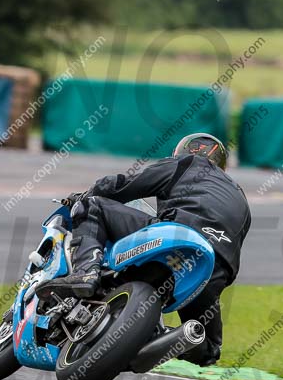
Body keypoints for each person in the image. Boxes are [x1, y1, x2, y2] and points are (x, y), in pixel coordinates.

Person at [36, 133, 251, 367]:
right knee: (209, 348)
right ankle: (158, 338)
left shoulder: (187, 164)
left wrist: (85, 195)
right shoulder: (241, 199)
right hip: (212, 269)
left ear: (186, 151)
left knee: (93, 207)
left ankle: (86, 271)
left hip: (179, 235)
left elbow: (125, 186)